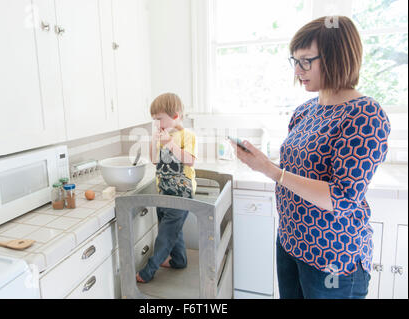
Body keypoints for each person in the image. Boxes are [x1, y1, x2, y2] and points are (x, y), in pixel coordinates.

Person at [230, 16, 391, 299]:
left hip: (333, 258)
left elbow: (341, 196)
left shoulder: (365, 114)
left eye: (306, 61)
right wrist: (263, 164)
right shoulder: (306, 110)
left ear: (336, 57)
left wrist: (270, 170)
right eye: (294, 61)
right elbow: (299, 172)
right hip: (291, 244)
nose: (297, 70)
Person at [136, 93, 197, 283]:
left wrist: (169, 144)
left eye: (159, 118)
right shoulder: (164, 136)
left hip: (181, 194)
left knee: (164, 236)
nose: (156, 123)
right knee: (170, 230)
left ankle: (148, 271)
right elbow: (155, 161)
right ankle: (179, 261)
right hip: (163, 192)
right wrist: (154, 142)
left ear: (175, 115)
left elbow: (190, 160)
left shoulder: (187, 135)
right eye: (154, 119)